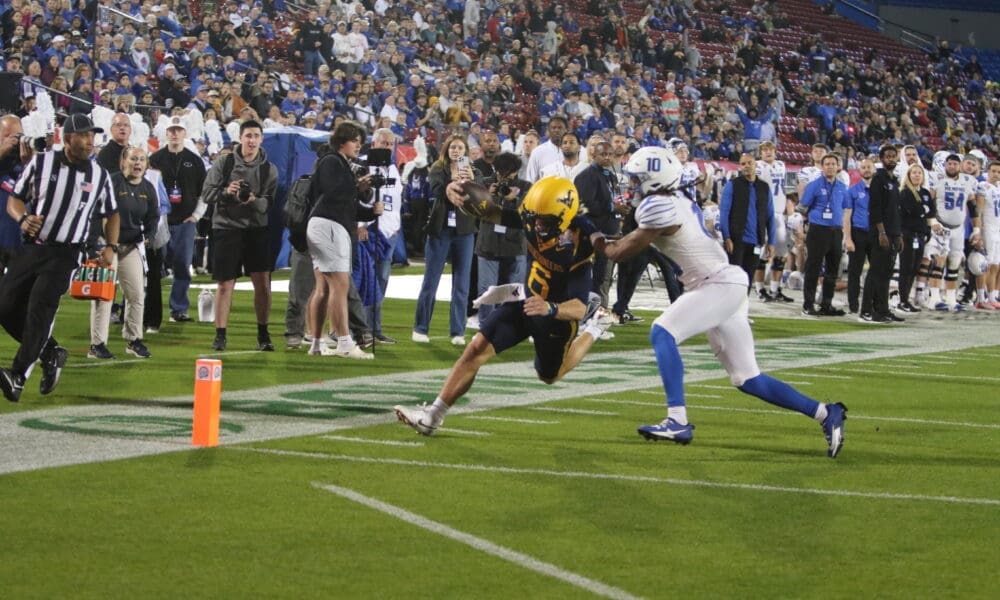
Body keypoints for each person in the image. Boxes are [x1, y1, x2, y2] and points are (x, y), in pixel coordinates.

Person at [589, 146, 847, 458]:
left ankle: (677, 420)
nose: (632, 184)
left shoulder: (658, 205)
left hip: (716, 283)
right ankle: (825, 413)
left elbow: (617, 252)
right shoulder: (676, 197)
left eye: (637, 178)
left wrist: (588, 230)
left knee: (662, 332)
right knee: (747, 379)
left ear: (653, 179)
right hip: (723, 283)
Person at [393, 176, 616, 435]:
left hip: (556, 317)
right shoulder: (534, 215)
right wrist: (458, 194)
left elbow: (578, 307)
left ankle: (596, 327)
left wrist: (551, 309)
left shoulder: (579, 245)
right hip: (525, 302)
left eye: (543, 220)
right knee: (475, 349)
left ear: (564, 218)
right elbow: (492, 212)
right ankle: (431, 417)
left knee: (549, 376)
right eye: (533, 217)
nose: (535, 224)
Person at [0, 114, 118, 403]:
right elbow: (15, 198)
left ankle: (17, 375)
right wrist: (23, 218)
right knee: (5, 306)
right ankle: (50, 352)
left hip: (67, 252)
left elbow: (112, 212)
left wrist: (111, 246)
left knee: (39, 306)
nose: (90, 141)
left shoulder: (99, 174)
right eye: (84, 135)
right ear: (67, 138)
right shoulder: (41, 162)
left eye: (92, 135)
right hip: (32, 247)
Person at [201, 120, 279, 351]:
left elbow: (268, 204)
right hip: (227, 228)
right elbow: (206, 194)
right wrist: (227, 191)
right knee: (225, 283)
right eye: (248, 136)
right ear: (241, 138)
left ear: (262, 139)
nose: (252, 140)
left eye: (256, 136)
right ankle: (220, 335)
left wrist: (253, 200)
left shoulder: (269, 169)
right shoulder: (224, 163)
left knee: (262, 284)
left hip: (257, 229)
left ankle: (263, 334)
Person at [306, 120, 381, 359]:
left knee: (324, 288)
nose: (358, 146)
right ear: (341, 141)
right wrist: (356, 185)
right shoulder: (332, 161)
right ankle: (345, 342)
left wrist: (371, 212)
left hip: (325, 224)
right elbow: (334, 193)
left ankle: (317, 343)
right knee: (340, 284)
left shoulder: (338, 163)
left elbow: (347, 206)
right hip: (329, 226)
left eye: (360, 142)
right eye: (354, 141)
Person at [89, 146, 158, 359]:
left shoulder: (148, 187)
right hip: (108, 245)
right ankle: (97, 344)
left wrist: (149, 235)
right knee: (104, 295)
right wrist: (97, 244)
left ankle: (133, 340)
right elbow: (95, 212)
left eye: (142, 159)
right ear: (123, 162)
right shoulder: (111, 182)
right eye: (133, 159)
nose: (138, 163)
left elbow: (153, 215)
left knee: (136, 294)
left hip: (131, 246)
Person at [412, 134, 479, 346]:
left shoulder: (474, 172)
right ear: (446, 150)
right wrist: (452, 183)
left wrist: (471, 181)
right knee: (431, 281)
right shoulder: (437, 169)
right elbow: (437, 190)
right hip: (440, 230)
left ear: (466, 151)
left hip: (465, 231)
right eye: (452, 147)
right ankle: (420, 328)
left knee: (462, 283)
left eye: (460, 147)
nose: (456, 151)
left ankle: (457, 331)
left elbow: (480, 197)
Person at [149, 116, 207, 324]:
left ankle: (179, 309)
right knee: (154, 266)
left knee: (182, 265)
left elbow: (204, 192)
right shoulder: (155, 159)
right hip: (161, 221)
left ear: (185, 133)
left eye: (178, 130)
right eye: (172, 130)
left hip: (185, 221)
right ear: (166, 133)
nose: (175, 134)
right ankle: (149, 310)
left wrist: (196, 216)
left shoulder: (195, 161)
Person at [475, 152, 529, 324]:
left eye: (509, 174)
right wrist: (487, 195)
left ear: (516, 172)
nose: (504, 178)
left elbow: (527, 215)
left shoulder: (526, 187)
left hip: (515, 246)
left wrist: (515, 199)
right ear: (495, 169)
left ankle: (511, 327)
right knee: (486, 290)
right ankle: (486, 327)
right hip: (488, 244)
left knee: (514, 292)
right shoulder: (484, 184)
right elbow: (475, 210)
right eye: (501, 173)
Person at [926, 154, 981, 311]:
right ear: (945, 165)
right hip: (941, 227)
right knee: (939, 262)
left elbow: (973, 208)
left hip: (958, 228)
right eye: (949, 164)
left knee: (955, 263)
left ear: (960, 165)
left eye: (955, 164)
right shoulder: (938, 180)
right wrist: (932, 221)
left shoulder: (967, 182)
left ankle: (950, 298)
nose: (952, 166)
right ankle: (934, 298)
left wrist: (976, 229)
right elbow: (928, 203)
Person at [364, 128, 403, 344]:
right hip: (369, 230)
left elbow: (396, 202)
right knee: (364, 281)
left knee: (381, 282)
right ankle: (359, 328)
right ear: (373, 144)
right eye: (383, 143)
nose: (387, 147)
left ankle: (375, 329)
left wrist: (395, 226)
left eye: (390, 144)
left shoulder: (393, 169)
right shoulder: (363, 166)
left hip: (389, 233)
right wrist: (361, 225)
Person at [799, 153, 849, 317]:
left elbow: (845, 208)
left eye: (833, 164)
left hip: (836, 231)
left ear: (838, 166)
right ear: (822, 166)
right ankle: (808, 305)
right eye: (827, 164)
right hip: (818, 230)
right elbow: (803, 207)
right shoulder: (814, 185)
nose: (830, 167)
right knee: (813, 269)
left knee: (832, 270)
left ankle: (826, 304)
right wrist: (808, 224)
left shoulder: (842, 186)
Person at [719, 153, 775, 291]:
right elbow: (724, 213)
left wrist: (771, 242)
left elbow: (770, 216)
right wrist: (727, 237)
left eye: (749, 163)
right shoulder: (732, 185)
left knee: (748, 279)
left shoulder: (764, 187)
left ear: (755, 164)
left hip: (756, 242)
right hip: (736, 241)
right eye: (743, 164)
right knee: (734, 279)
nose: (746, 166)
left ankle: (743, 304)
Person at [574, 141, 619, 307]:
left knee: (603, 276)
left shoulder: (610, 176)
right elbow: (584, 205)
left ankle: (599, 310)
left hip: (609, 232)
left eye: (610, 154)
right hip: (592, 234)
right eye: (603, 154)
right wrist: (612, 207)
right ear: (594, 155)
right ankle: (588, 312)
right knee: (593, 276)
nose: (607, 158)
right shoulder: (587, 175)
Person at [753, 141, 793, 302]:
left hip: (779, 214)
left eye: (770, 149)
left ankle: (775, 289)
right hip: (764, 214)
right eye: (764, 150)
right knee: (762, 253)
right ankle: (760, 289)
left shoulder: (781, 165)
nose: (768, 152)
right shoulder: (758, 166)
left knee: (781, 254)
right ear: (760, 153)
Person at [900, 164, 935, 311]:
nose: (916, 175)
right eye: (914, 173)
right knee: (906, 267)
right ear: (909, 175)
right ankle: (902, 300)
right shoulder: (905, 192)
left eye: (919, 173)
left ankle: (907, 299)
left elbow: (930, 211)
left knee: (915, 268)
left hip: (920, 234)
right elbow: (913, 211)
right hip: (907, 234)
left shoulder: (925, 192)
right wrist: (922, 210)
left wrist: (928, 229)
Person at [0, 115, 32, 276]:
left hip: (18, 244)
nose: (13, 140)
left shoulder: (24, 166)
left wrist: (29, 162)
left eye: (18, 136)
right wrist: (3, 150)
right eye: (7, 135)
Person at [843, 158, 874, 314]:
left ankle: (871, 303)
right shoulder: (852, 190)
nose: (866, 169)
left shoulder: (879, 190)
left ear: (874, 169)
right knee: (855, 271)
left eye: (869, 167)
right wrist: (848, 238)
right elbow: (847, 216)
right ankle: (853, 305)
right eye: (863, 167)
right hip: (858, 233)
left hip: (875, 234)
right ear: (859, 170)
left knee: (875, 270)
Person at [975, 161, 1000, 308]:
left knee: (996, 265)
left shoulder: (998, 187)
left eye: (998, 172)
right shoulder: (983, 186)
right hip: (988, 228)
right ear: (988, 171)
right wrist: (978, 231)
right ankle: (980, 298)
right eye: (993, 171)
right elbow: (979, 211)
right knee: (986, 264)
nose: (996, 174)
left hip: (998, 228)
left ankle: (992, 296)